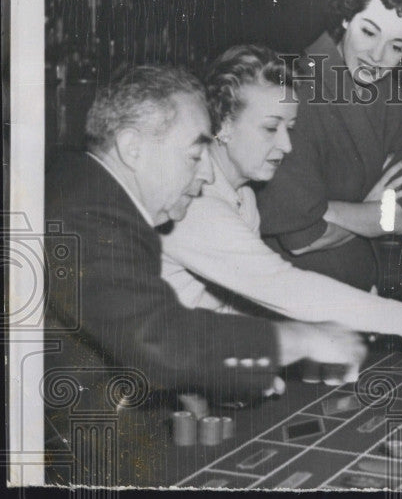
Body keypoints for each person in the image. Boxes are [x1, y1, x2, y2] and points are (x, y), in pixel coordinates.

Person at [45, 67, 368, 479]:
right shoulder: (87, 213)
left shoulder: (92, 194)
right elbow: (160, 340)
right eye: (196, 155)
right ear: (132, 147)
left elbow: (131, 332)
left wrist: (209, 375)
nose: (207, 174)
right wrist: (299, 338)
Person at [159, 45, 402, 387]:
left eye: (290, 128)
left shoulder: (244, 196)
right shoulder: (193, 202)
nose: (287, 145)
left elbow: (226, 306)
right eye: (270, 128)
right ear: (222, 125)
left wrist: (288, 352)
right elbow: (281, 284)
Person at [255, 0, 402, 292]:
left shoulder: (389, 95)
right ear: (347, 19)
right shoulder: (297, 89)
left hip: (361, 287)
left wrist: (330, 211)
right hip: (294, 294)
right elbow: (302, 239)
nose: (377, 57)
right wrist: (370, 208)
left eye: (397, 47)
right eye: (369, 32)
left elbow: (400, 213)